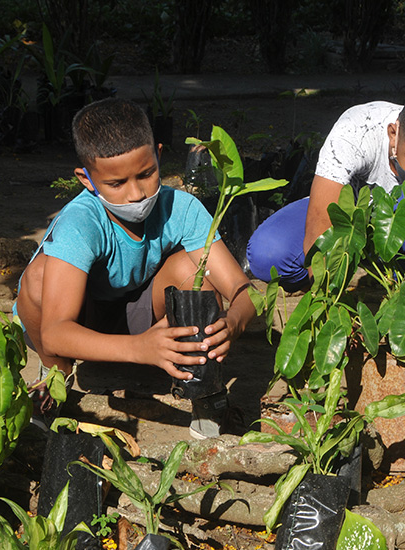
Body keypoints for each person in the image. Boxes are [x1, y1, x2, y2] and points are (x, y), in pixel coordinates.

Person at [14, 98, 255, 438]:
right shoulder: (80, 222)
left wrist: (233, 322)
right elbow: (55, 332)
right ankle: (54, 382)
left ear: (158, 154)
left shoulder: (182, 208)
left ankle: (205, 391)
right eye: (116, 183)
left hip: (140, 312)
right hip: (81, 319)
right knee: (38, 279)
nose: (136, 193)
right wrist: (140, 348)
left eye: (146, 174)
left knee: (192, 269)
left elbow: (244, 291)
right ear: (87, 180)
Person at [246, 77, 405, 291]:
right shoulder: (358, 129)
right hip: (347, 215)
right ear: (393, 134)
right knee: (267, 254)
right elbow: (321, 221)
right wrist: (327, 294)